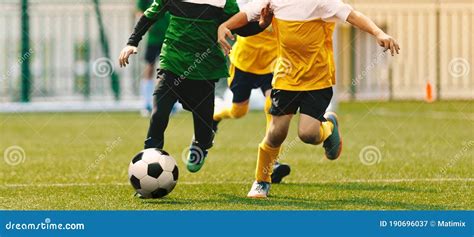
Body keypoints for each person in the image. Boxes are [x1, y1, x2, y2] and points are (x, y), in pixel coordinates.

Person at [217, 0, 400, 198]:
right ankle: (261, 181)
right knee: (276, 133)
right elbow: (247, 14)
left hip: (318, 79)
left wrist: (378, 32)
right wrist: (225, 26)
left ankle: (328, 128)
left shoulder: (322, 2)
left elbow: (352, 15)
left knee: (308, 134)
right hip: (285, 78)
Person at [119, 0, 270, 175]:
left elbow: (239, 27)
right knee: (159, 114)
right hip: (172, 62)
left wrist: (261, 24)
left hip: (205, 69)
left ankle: (201, 144)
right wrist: (132, 42)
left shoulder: (224, 2)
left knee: (204, 132)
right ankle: (148, 161)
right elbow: (149, 16)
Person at [213, 1, 290, 183]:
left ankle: (273, 161)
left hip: (272, 62)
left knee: (273, 104)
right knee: (238, 111)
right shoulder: (245, 3)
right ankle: (214, 116)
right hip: (244, 63)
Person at [136, 0, 170, 117]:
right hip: (154, 38)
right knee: (149, 67)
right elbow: (140, 10)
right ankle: (146, 103)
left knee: (168, 69)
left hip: (170, 36)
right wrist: (146, 25)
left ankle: (169, 103)